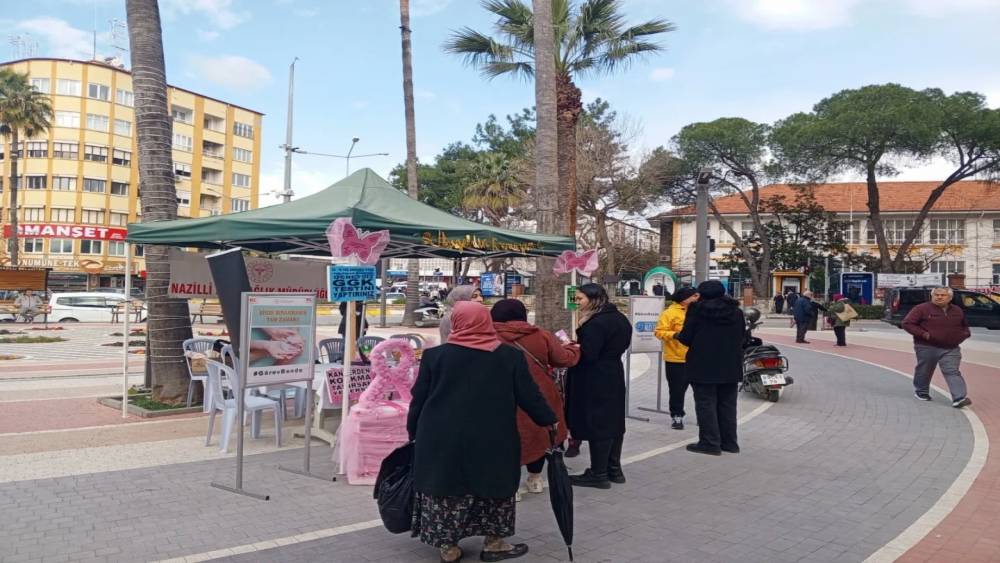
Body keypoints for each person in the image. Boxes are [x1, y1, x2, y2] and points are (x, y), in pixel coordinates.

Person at [408, 302, 557, 562]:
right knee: (494, 486)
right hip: (493, 436)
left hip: (442, 436)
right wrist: (548, 420)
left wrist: (412, 430)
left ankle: (449, 548)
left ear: (457, 323)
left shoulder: (436, 356)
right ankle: (494, 543)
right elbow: (529, 395)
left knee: (447, 487)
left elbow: (419, 398)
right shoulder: (508, 356)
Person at [491, 299, 580, 497]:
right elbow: (563, 359)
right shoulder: (541, 335)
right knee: (539, 435)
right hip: (540, 394)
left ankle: (510, 487)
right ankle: (535, 479)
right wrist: (573, 348)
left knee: (506, 437)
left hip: (501, 396)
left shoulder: (488, 337)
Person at [565, 283, 632, 489]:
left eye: (580, 299)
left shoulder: (596, 323)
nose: (577, 303)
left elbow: (589, 354)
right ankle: (614, 469)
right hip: (613, 372)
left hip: (594, 377)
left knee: (598, 422)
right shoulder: (620, 318)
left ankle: (598, 473)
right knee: (613, 420)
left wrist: (573, 349)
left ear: (594, 299)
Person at [677, 280, 746, 456]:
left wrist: (678, 335)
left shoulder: (697, 311)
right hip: (730, 364)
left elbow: (686, 337)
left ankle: (709, 442)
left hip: (703, 364)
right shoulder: (736, 312)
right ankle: (729, 442)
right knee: (728, 404)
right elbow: (743, 338)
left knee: (706, 403)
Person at [901, 287, 972, 408]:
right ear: (932, 296)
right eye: (936, 295)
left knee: (952, 371)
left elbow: (964, 326)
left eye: (943, 295)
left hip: (951, 348)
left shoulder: (957, 310)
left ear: (950, 297)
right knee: (925, 370)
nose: (939, 297)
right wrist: (925, 334)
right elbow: (907, 323)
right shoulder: (921, 309)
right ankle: (921, 392)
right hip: (926, 346)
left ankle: (959, 398)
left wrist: (965, 334)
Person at [653, 287, 699, 430]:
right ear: (684, 298)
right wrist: (675, 335)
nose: (697, 298)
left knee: (701, 391)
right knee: (677, 391)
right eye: (694, 296)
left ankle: (703, 416)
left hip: (698, 358)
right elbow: (659, 332)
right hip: (676, 359)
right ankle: (677, 416)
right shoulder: (669, 313)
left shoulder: (699, 311)